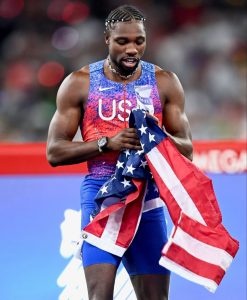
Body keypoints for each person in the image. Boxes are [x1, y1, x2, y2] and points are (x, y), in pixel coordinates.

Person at [47, 5, 193, 300]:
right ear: (106, 39)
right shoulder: (79, 83)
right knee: (100, 296)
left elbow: (187, 148)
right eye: (122, 41)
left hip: (147, 199)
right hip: (101, 198)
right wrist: (107, 143)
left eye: (138, 41)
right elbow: (54, 151)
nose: (132, 49)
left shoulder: (164, 82)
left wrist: (154, 137)